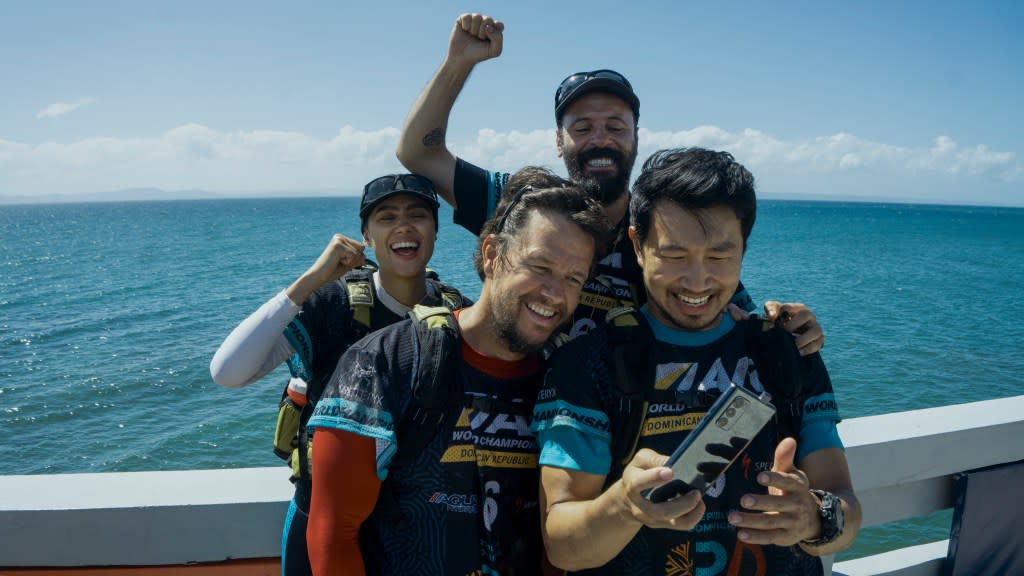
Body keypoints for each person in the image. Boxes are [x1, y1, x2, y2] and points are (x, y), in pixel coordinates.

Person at [396, 13, 824, 351]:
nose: (600, 139)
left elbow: (726, 301)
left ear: (636, 138)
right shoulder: (524, 206)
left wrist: (789, 324)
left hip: (610, 429)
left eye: (616, 127)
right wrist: (459, 62)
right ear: (558, 142)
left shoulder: (663, 228)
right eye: (582, 127)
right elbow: (418, 151)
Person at [531, 148, 861, 575]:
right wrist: (625, 507)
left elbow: (846, 507)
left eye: (720, 257)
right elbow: (562, 545)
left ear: (744, 247)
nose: (698, 280)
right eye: (675, 255)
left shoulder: (786, 353)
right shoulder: (587, 364)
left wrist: (817, 516)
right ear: (637, 245)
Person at [304, 171, 610, 575]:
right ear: (491, 254)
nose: (555, 294)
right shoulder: (383, 364)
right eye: (540, 266)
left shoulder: (567, 377)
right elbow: (334, 535)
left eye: (574, 278)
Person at [209, 174, 471, 576]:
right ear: (366, 236)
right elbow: (228, 371)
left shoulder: (456, 316)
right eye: (386, 217)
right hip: (322, 520)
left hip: (415, 528)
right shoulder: (332, 306)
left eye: (418, 215)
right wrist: (311, 280)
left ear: (435, 230)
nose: (403, 226)